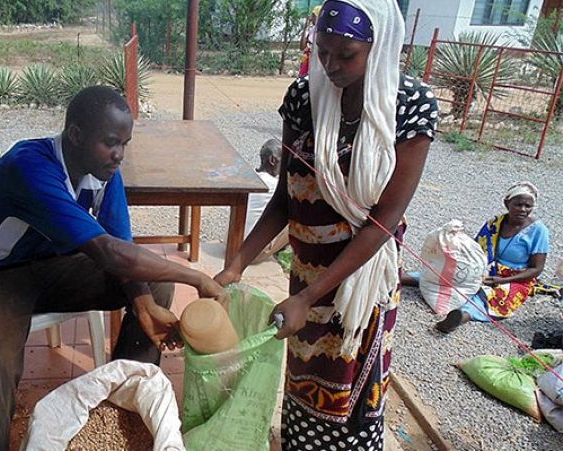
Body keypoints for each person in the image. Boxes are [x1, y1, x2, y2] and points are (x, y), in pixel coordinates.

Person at [214, 1, 437, 449]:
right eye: (323, 51)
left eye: (347, 54)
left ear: (378, 45)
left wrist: (308, 298)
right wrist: (234, 266)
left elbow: (382, 222)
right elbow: (285, 197)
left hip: (362, 282)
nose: (331, 66)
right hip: (308, 270)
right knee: (305, 384)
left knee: (350, 397)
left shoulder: (410, 105)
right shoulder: (303, 98)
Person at [0, 85, 225, 451]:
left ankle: (124, 405)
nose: (119, 155)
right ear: (76, 135)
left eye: (125, 144)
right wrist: (195, 276)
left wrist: (143, 305)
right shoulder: (29, 165)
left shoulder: (104, 170)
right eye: (111, 142)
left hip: (54, 265)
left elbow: (120, 242)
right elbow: (111, 253)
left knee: (153, 291)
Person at [434, 181, 550, 333]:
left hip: (517, 278)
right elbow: (476, 250)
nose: (523, 209)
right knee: (448, 272)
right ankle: (407, 277)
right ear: (507, 203)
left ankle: (463, 315)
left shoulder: (538, 231)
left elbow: (536, 269)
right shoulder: (494, 224)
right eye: (518, 205)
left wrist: (502, 280)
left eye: (528, 206)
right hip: (488, 268)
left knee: (495, 296)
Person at [246, 139, 288, 263]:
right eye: (283, 161)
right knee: (295, 220)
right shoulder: (274, 186)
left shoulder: (250, 178)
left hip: (231, 244)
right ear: (272, 160)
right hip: (249, 254)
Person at [298, 6, 322, 77]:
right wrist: (305, 28)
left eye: (313, 16)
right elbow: (302, 47)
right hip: (308, 57)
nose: (311, 18)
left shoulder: (322, 31)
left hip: (317, 59)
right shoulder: (310, 30)